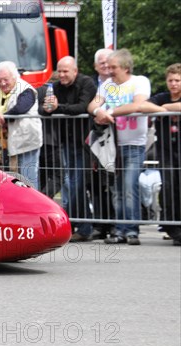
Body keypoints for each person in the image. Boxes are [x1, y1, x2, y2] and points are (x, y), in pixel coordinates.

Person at [87, 49, 151, 245]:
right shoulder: (107, 84)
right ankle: (120, 229)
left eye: (113, 67)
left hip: (134, 145)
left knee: (130, 188)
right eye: (107, 66)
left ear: (125, 67)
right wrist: (99, 111)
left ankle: (131, 230)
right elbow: (92, 105)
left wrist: (109, 112)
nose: (109, 70)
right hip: (113, 146)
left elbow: (138, 105)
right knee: (118, 190)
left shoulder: (139, 81)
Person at [40, 56, 97, 242]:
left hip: (83, 142)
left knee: (77, 184)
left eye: (66, 71)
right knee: (69, 184)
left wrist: (58, 107)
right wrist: (49, 109)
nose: (62, 75)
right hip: (64, 142)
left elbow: (83, 107)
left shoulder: (87, 83)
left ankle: (83, 226)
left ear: (75, 70)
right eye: (60, 71)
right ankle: (77, 225)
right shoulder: (54, 86)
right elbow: (43, 109)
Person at [0, 61, 43, 189]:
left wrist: (1, 117)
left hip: (27, 142)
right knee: (12, 180)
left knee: (29, 179)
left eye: (6, 80)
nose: (2, 83)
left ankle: (33, 207)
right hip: (7, 144)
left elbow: (20, 109)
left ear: (14, 77)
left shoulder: (26, 90)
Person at [138, 63, 181, 246]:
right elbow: (143, 106)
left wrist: (165, 107)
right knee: (169, 185)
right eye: (170, 80)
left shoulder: (165, 101)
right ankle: (171, 226)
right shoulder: (161, 97)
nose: (173, 84)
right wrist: (165, 109)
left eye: (177, 80)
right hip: (166, 149)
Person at [90, 48, 116, 240]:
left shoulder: (119, 83)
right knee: (97, 184)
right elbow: (88, 105)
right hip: (94, 139)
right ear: (96, 66)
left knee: (114, 183)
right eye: (102, 63)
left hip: (115, 137)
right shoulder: (92, 84)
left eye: (109, 63)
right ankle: (100, 224)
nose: (106, 66)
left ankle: (116, 224)